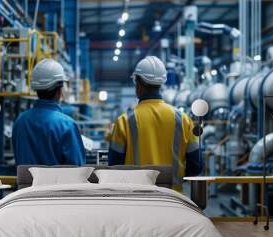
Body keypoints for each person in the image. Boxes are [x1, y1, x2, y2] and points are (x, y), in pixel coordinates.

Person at [108, 56, 202, 191]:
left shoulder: (124, 121)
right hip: (173, 199)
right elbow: (196, 166)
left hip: (135, 199)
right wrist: (175, 177)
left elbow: (114, 167)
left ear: (138, 83)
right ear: (161, 83)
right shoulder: (183, 120)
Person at [12, 58, 86, 166]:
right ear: (59, 90)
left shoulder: (20, 121)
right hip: (58, 183)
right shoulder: (67, 125)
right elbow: (78, 168)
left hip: (25, 183)